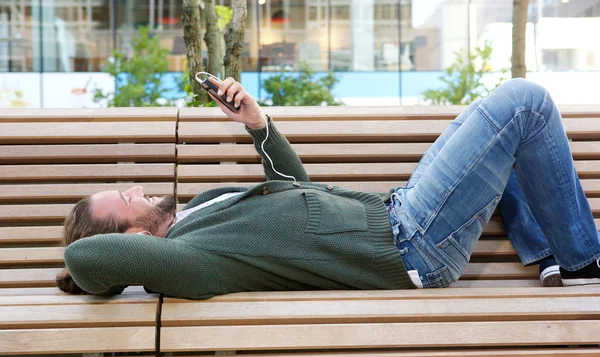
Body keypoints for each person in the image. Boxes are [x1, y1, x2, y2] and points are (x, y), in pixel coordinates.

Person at [56, 77, 600, 299]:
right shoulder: (190, 262)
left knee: (498, 135)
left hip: (403, 213)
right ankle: (580, 265)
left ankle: (549, 256)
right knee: (522, 102)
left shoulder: (200, 210)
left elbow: (295, 190)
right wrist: (118, 263)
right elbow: (85, 258)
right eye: (128, 199)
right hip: (411, 244)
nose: (139, 187)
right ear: (136, 239)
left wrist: (257, 125)